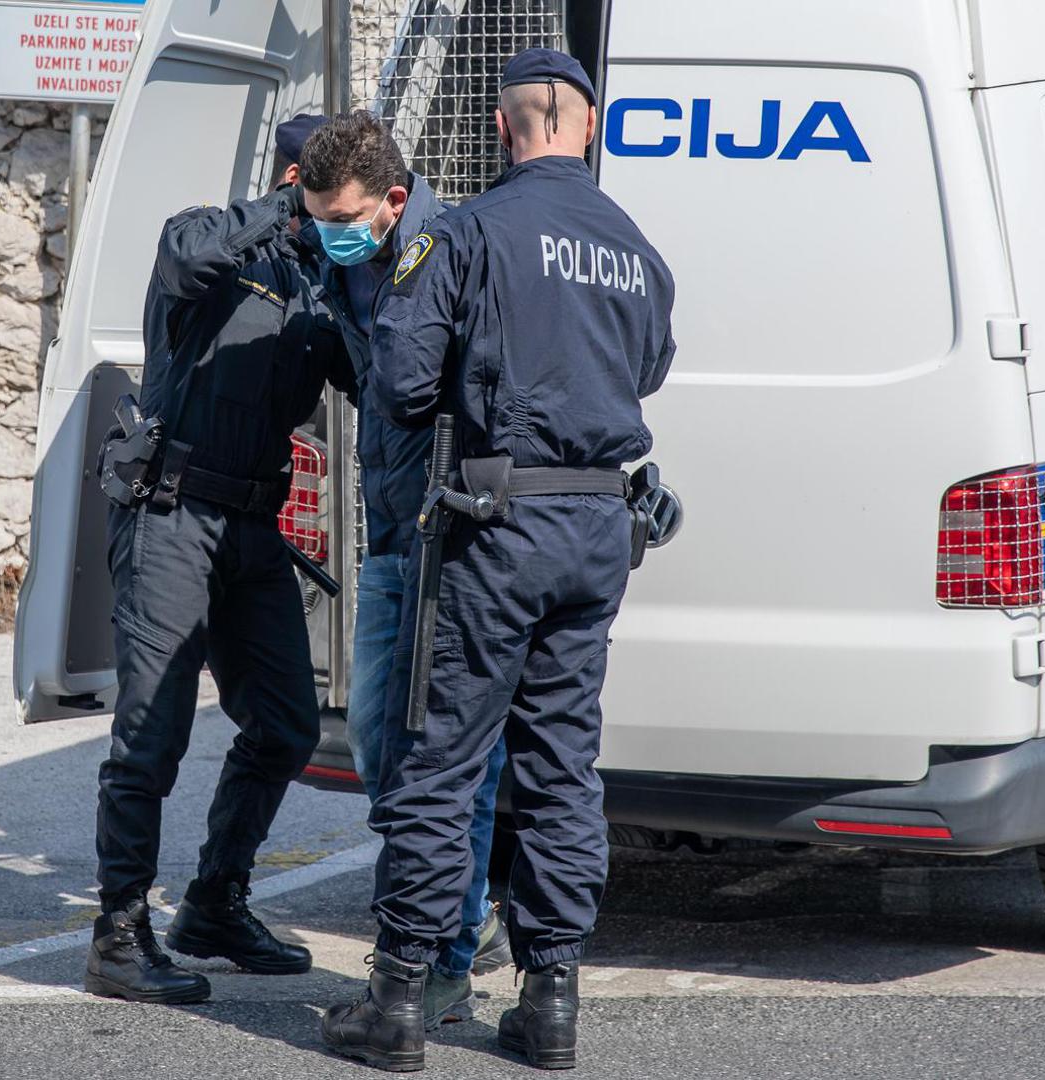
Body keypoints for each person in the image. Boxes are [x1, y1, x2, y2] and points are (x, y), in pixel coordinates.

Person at [319, 50, 676, 1071]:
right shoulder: (636, 252)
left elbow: (398, 379)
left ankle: (396, 1002)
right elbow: (645, 369)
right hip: (597, 529)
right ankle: (550, 1002)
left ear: (499, 124)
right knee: (561, 767)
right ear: (592, 130)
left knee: (441, 760)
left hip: (496, 525)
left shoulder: (466, 234)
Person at [86, 113, 356, 1004]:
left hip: (251, 530)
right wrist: (281, 207)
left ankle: (212, 903)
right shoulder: (208, 235)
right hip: (171, 512)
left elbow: (379, 377)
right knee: (149, 735)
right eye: (322, 188)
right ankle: (119, 936)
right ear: (293, 177)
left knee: (284, 724)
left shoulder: (323, 284)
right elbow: (186, 261)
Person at [294, 111, 511, 1029]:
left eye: (339, 216)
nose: (328, 233)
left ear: (391, 199)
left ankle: (446, 956)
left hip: (447, 538)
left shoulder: (449, 252)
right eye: (315, 218)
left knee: (443, 759)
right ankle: (439, 933)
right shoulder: (354, 257)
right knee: (385, 754)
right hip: (388, 534)